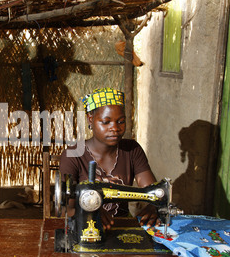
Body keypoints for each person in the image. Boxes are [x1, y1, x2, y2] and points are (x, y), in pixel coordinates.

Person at [59, 87, 160, 230]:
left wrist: (153, 206)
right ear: (90, 119)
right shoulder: (73, 155)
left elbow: (152, 191)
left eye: (121, 121)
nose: (115, 128)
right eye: (106, 122)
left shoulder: (132, 150)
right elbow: (67, 206)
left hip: (121, 226)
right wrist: (89, 209)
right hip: (84, 227)